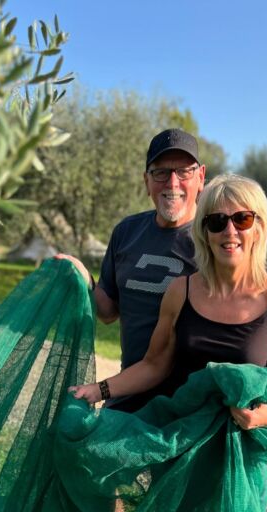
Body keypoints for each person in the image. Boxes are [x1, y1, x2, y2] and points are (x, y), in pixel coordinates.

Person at [70, 173, 267, 429]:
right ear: (204, 232)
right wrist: (98, 390)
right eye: (217, 221)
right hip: (179, 436)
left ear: (259, 229)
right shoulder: (181, 291)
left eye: (243, 219)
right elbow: (154, 365)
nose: (229, 231)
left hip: (238, 448)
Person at [57, 128, 206, 411]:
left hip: (190, 409)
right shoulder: (127, 232)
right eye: (160, 172)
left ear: (201, 177)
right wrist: (82, 276)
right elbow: (108, 312)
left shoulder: (217, 238)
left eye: (184, 172)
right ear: (146, 180)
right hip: (128, 397)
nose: (172, 183)